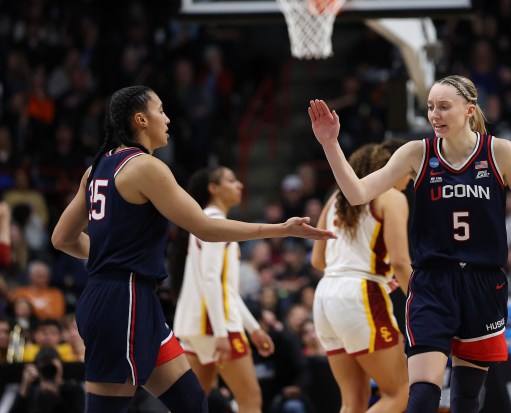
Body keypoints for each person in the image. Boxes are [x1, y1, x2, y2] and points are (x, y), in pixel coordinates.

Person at [51, 85, 335, 413]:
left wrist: (107, 254)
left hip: (132, 300)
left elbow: (62, 238)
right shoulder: (146, 167)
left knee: (193, 404)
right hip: (123, 302)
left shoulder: (97, 168)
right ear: (141, 119)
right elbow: (205, 227)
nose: (168, 119)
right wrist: (281, 228)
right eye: (161, 110)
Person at [308, 74, 511, 413]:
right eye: (430, 108)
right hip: (432, 283)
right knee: (421, 396)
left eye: (443, 107)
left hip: (482, 283)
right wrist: (330, 144)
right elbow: (357, 192)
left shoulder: (499, 152)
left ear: (469, 110)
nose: (434, 115)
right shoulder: (416, 153)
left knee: (466, 399)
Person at [310, 143, 411, 412]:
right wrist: (425, 299)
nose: (410, 177)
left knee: (353, 401)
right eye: (407, 169)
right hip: (360, 295)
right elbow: (401, 262)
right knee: (401, 393)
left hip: (326, 296)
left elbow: (318, 260)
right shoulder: (391, 197)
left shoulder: (335, 198)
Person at [173, 166, 275, 413]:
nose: (239, 185)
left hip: (195, 327)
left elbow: (224, 288)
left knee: (190, 407)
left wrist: (253, 328)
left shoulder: (202, 222)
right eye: (231, 180)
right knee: (250, 401)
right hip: (215, 326)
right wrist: (220, 332)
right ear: (214, 188)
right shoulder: (215, 223)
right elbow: (211, 280)